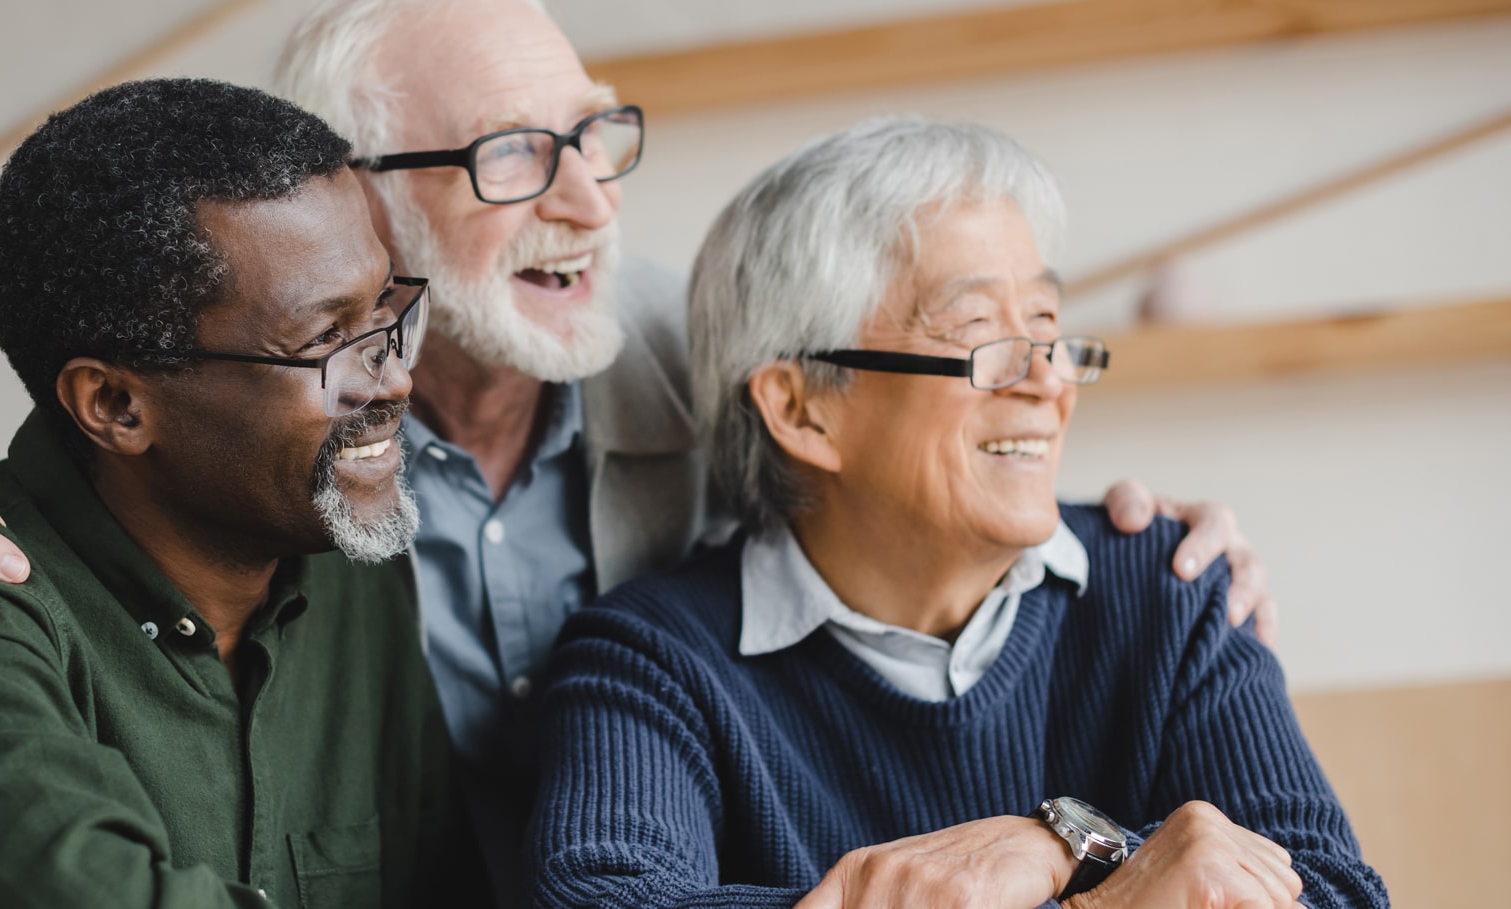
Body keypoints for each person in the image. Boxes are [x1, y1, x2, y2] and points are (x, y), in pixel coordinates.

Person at [0, 0, 1272, 901]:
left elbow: (929, 442)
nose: (594, 200)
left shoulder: (704, 358)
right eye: (515, 156)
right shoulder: (293, 496)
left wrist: (1111, 541)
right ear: (358, 197)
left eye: (599, 136)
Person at [529, 118, 1385, 908]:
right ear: (801, 409)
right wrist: (1096, 875)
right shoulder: (651, 658)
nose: (1047, 379)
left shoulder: (1173, 586)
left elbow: (1336, 890)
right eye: (980, 334)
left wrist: (1063, 850)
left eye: (1047, 324)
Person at [0, 78, 473, 908]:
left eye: (382, 312)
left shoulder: (351, 558)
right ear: (116, 405)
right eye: (325, 340)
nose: (395, 378)